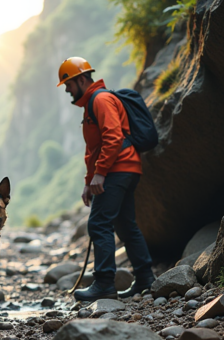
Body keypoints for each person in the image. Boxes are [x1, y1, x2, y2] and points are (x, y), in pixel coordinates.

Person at [57, 56, 154, 301]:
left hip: (117, 170)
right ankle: (145, 280)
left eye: (68, 84)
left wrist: (100, 175)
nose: (67, 90)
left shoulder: (100, 100)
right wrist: (89, 181)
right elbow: (94, 149)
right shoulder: (92, 104)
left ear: (81, 79)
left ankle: (104, 284)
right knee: (125, 225)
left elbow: (113, 137)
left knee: (99, 224)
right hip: (124, 169)